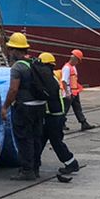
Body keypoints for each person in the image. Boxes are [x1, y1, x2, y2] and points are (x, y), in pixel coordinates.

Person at [1, 31, 49, 181]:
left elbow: (13, 89)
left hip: (25, 108)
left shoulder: (17, 67)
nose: (9, 52)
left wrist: (5, 107)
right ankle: (35, 168)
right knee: (36, 137)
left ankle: (27, 170)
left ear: (16, 50)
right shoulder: (34, 63)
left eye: (10, 49)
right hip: (40, 106)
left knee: (24, 138)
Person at [34, 52, 80, 181]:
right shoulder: (51, 77)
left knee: (55, 141)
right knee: (41, 139)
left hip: (53, 116)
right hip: (54, 114)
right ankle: (33, 163)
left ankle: (71, 163)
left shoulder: (48, 79)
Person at [61, 48, 93, 131]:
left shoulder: (73, 67)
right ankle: (60, 124)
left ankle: (83, 123)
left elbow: (74, 79)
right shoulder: (67, 68)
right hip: (69, 92)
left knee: (77, 108)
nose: (78, 62)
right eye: (78, 60)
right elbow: (64, 81)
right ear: (75, 59)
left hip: (74, 92)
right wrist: (67, 93)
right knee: (65, 109)